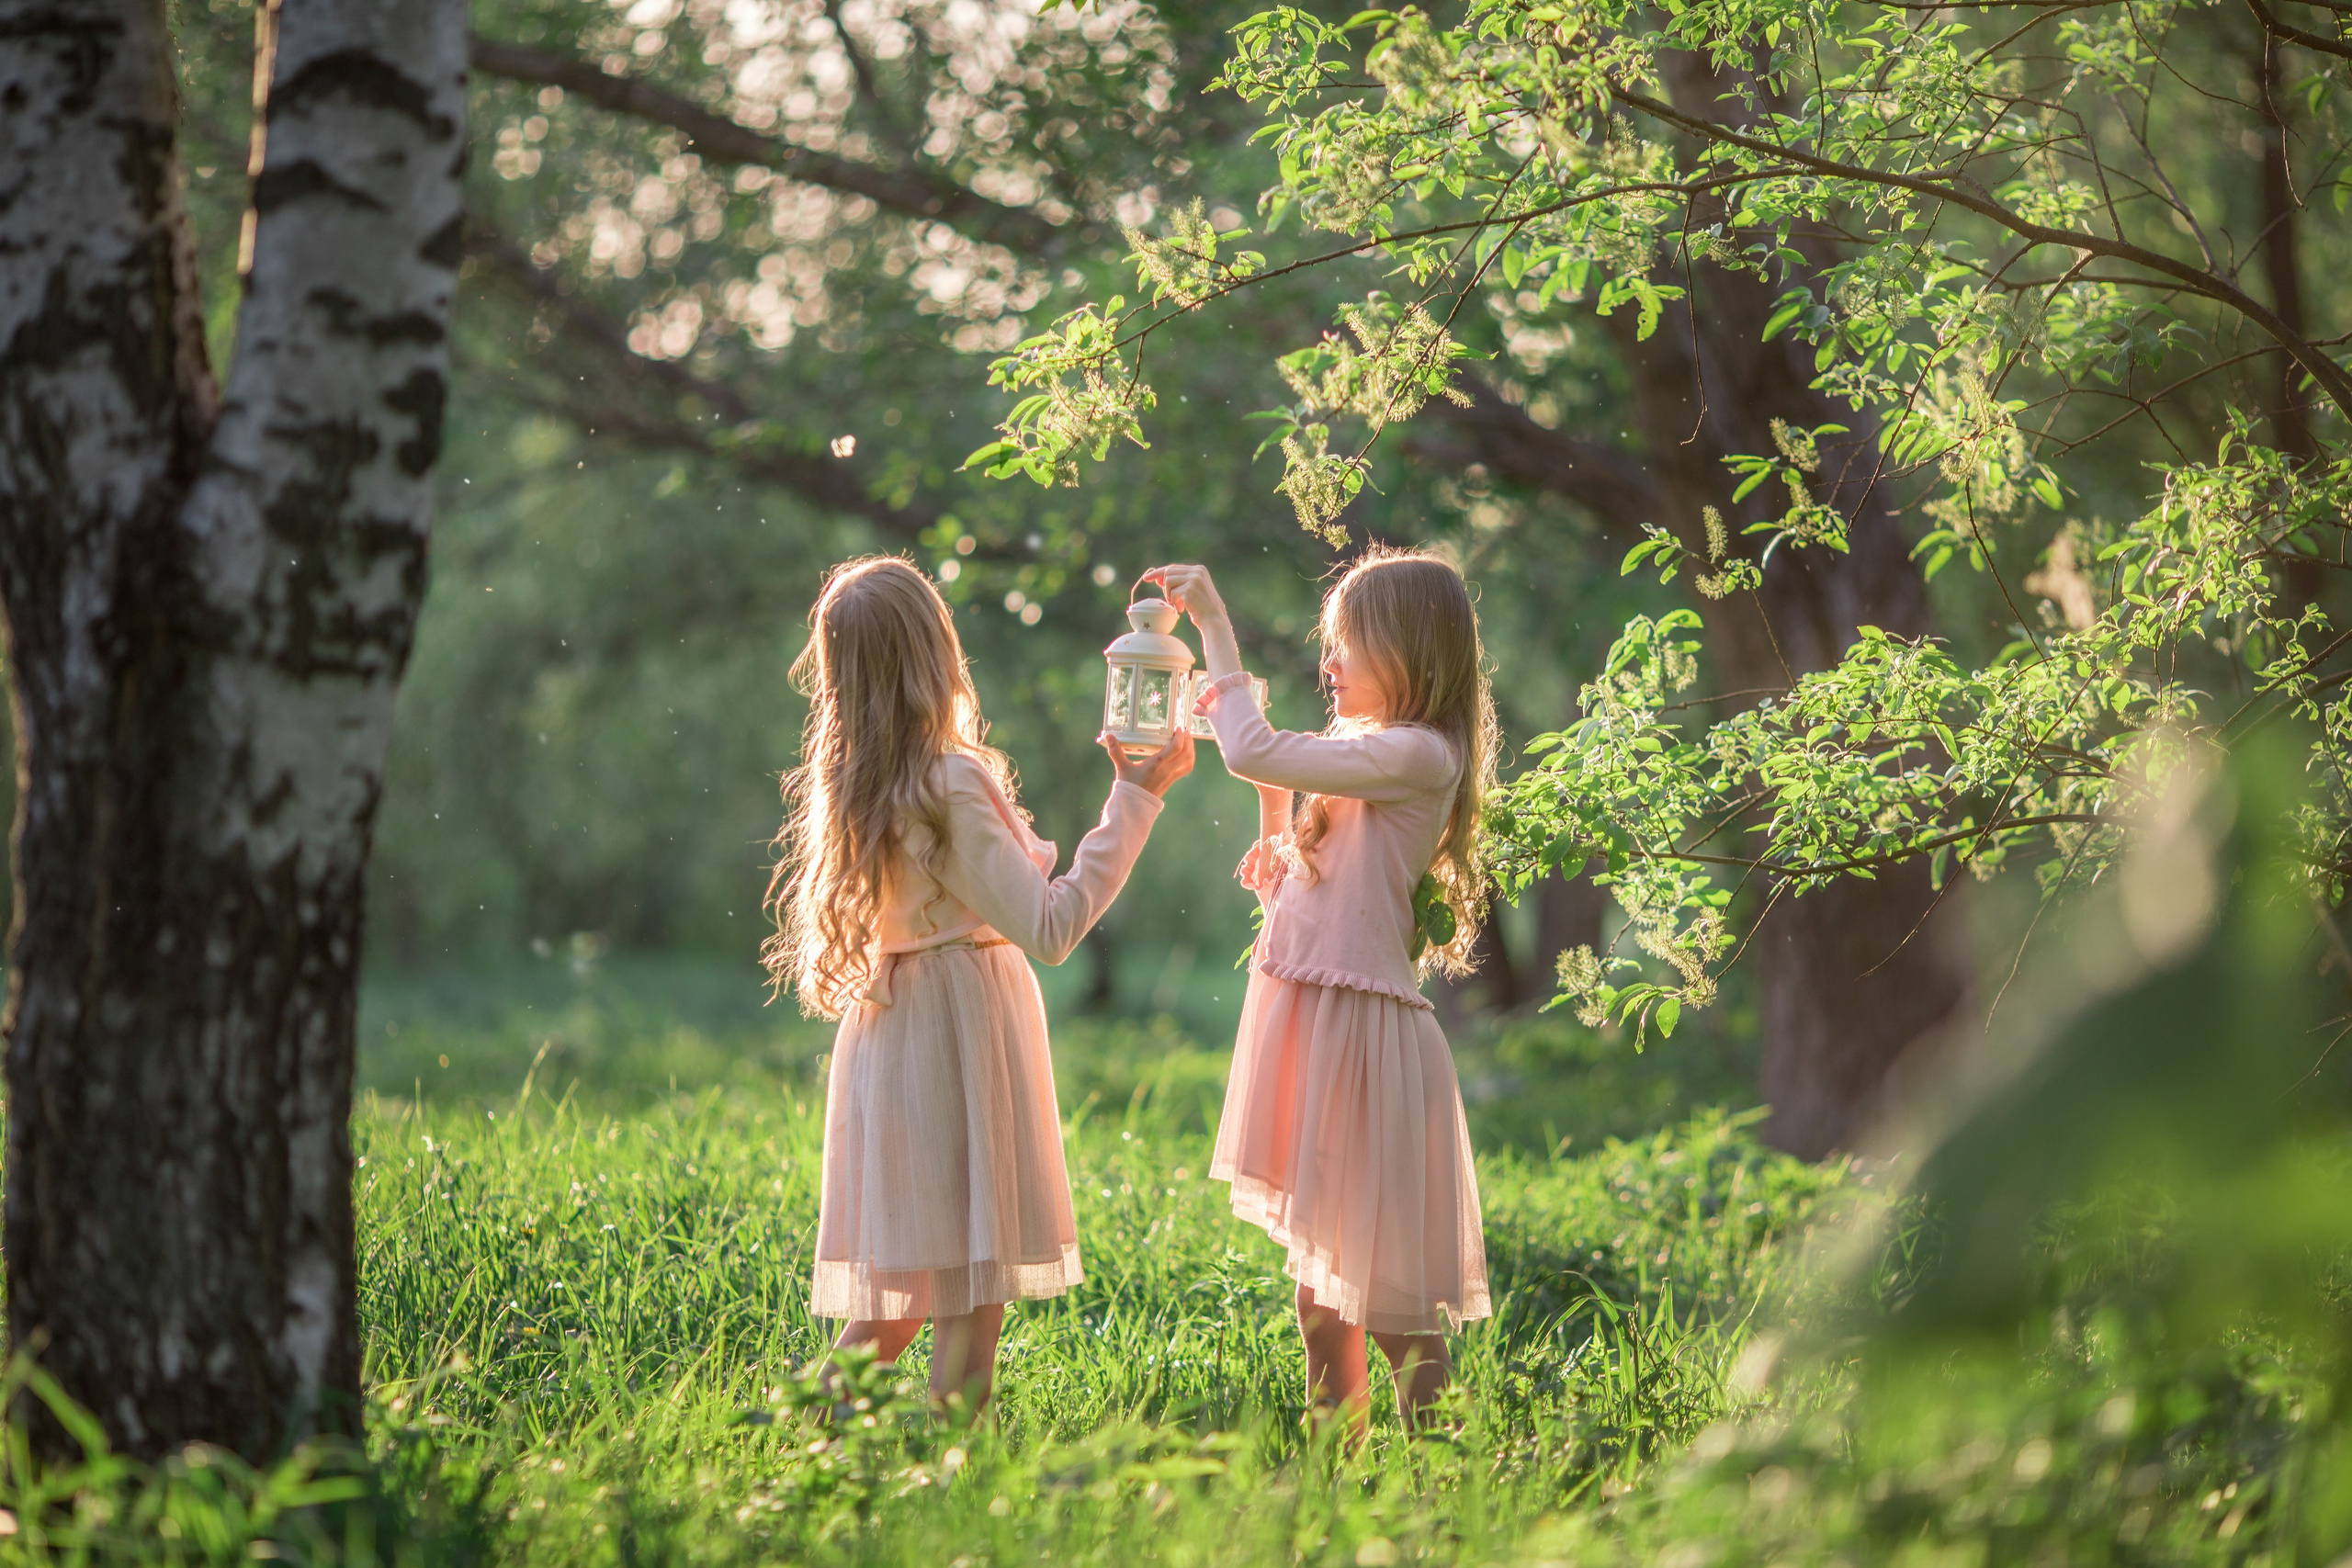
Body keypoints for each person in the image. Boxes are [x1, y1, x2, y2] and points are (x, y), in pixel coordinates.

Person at [765, 556, 1193, 1416]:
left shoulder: (859, 785)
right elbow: (1051, 925)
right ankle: (958, 1474)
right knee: (968, 1286)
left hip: (892, 1032)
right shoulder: (951, 781)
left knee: (903, 1295)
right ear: (937, 651)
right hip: (958, 1027)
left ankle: (806, 1446)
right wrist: (1133, 797)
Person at [1146, 548, 1496, 1433]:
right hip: (1326, 1027)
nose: (1328, 663)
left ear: (1412, 654)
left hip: (1366, 1045)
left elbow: (1252, 746)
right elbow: (1318, 916)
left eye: (1349, 645)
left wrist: (1214, 629)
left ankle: (1445, 1478)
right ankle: (1333, 1495)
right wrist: (1276, 824)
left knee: (1393, 1312)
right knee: (1321, 1306)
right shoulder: (1369, 755)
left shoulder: (1419, 753)